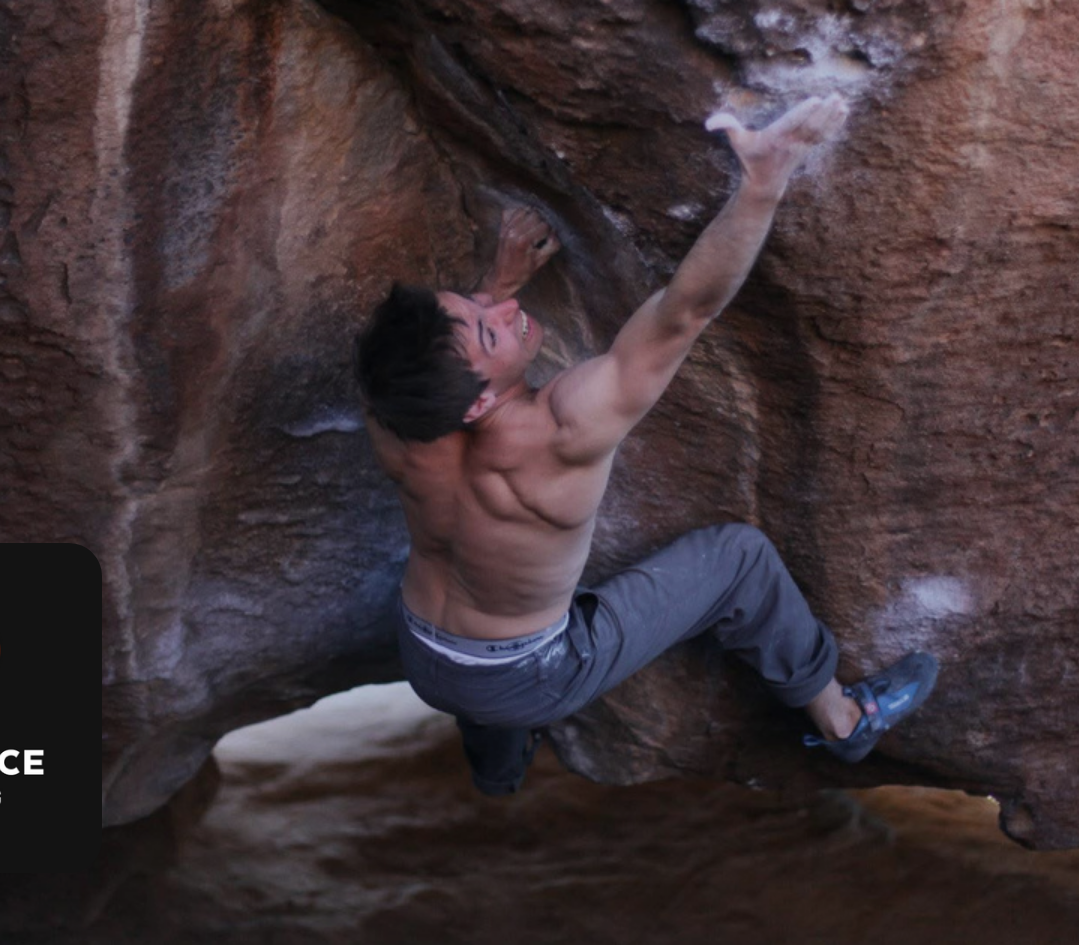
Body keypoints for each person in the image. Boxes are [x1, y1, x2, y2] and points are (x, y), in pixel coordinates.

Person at [354, 94, 937, 794]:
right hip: (531, 676)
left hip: (423, 656)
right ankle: (844, 720)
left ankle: (496, 761)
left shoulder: (396, 410)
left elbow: (440, 367)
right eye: (489, 327)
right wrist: (764, 179)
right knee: (739, 559)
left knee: (483, 654)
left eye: (478, 303)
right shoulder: (561, 432)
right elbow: (684, 312)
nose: (504, 308)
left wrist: (493, 286)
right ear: (477, 402)